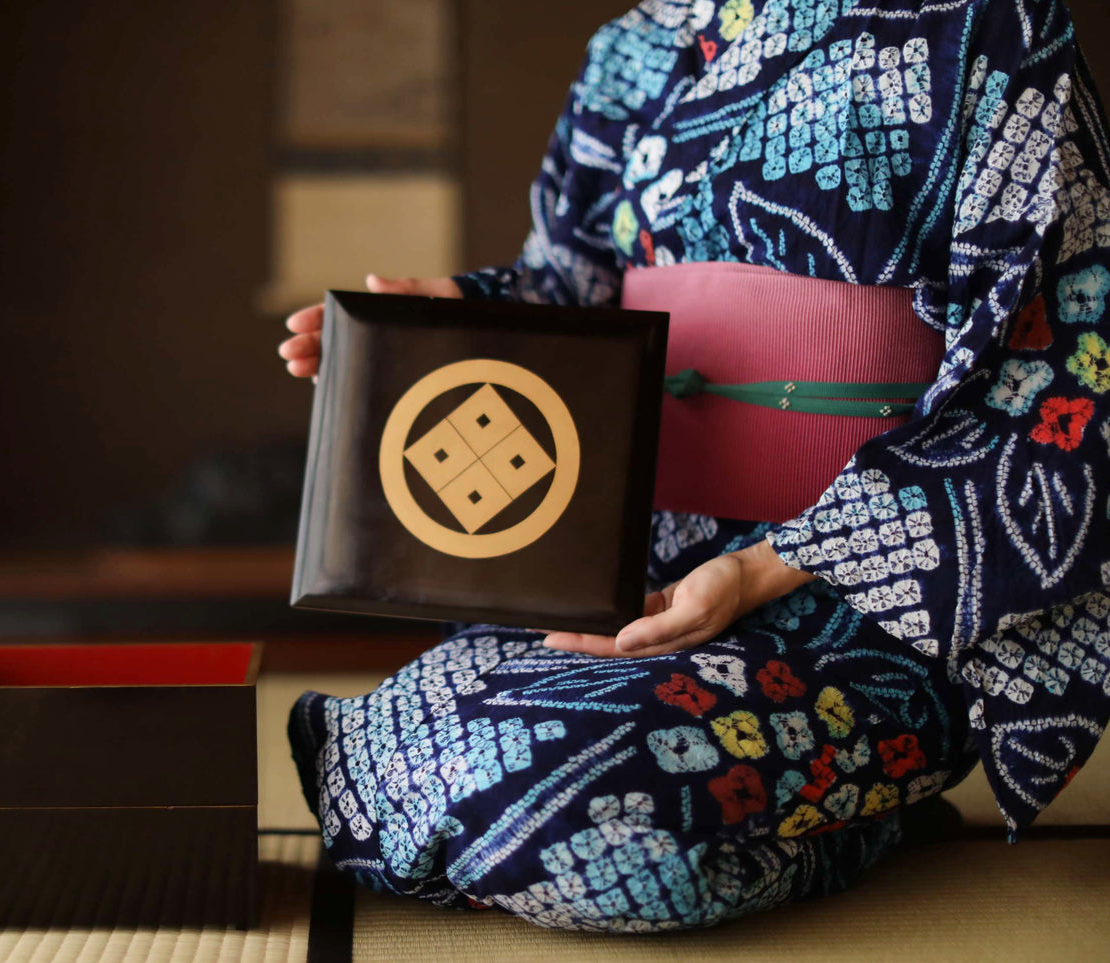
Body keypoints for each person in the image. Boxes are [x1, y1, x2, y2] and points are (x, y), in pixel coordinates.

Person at [276, 0, 1110, 931]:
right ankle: (803, 815)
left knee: (560, 789)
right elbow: (571, 292)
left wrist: (760, 567)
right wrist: (453, 318)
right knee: (414, 739)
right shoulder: (636, 45)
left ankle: (864, 816)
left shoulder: (987, 23)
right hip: (630, 579)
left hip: (860, 599)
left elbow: (1054, 359)